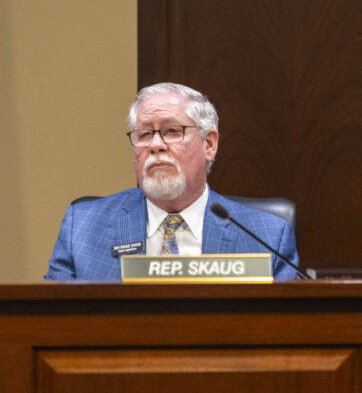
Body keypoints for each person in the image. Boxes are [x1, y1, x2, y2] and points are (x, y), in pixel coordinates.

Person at [45, 82, 299, 281]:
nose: (155, 145)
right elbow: (51, 327)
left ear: (209, 144)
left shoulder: (267, 236)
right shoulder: (82, 228)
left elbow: (283, 333)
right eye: (144, 134)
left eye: (172, 131)